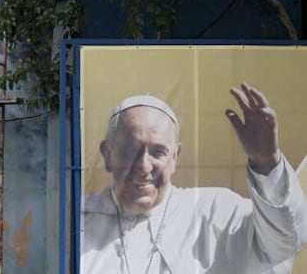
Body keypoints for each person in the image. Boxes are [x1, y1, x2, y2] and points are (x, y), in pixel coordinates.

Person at [82, 83, 307, 274]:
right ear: (108, 154)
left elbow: (286, 242)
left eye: (158, 152)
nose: (143, 166)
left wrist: (266, 161)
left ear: (175, 158)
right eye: (130, 150)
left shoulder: (216, 211)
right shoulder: (76, 220)